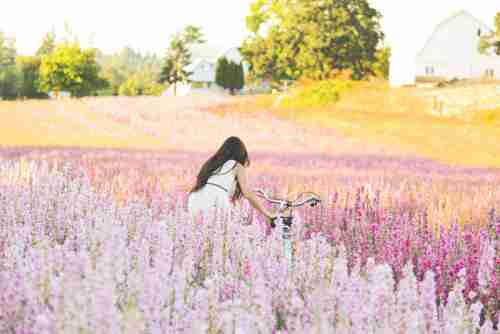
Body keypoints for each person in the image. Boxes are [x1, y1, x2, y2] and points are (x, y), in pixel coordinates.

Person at [188, 136, 275, 223]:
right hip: (216, 198)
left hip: (195, 197)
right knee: (223, 233)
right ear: (241, 153)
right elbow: (247, 193)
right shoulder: (237, 165)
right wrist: (267, 213)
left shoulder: (212, 163)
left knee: (199, 232)